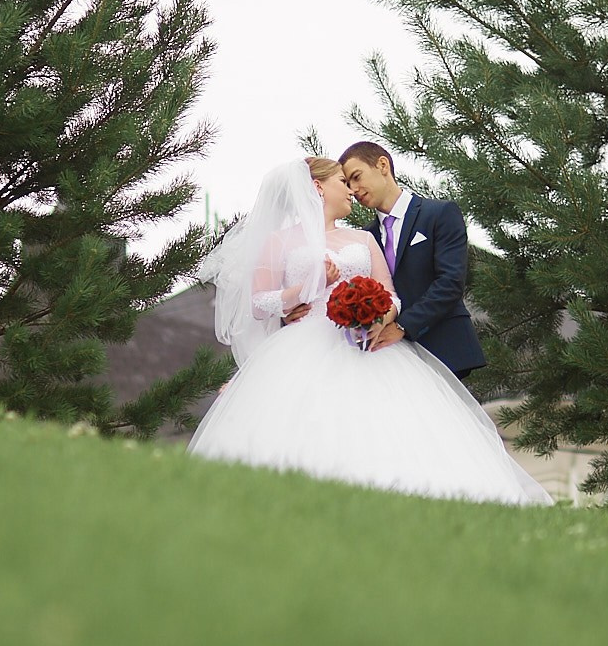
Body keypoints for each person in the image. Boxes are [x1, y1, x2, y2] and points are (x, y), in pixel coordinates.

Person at [188, 157, 549, 506]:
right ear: (318, 187)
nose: (351, 190)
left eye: (353, 181)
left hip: (368, 344)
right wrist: (304, 290)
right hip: (303, 346)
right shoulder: (279, 242)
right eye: (342, 182)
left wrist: (379, 315)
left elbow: (390, 293)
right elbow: (258, 302)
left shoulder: (363, 238)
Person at [337, 141, 484, 380]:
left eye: (356, 177)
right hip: (388, 359)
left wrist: (402, 326)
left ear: (382, 165)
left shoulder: (439, 213)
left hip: (444, 346)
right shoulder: (365, 237)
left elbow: (450, 282)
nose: (353, 189)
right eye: (347, 184)